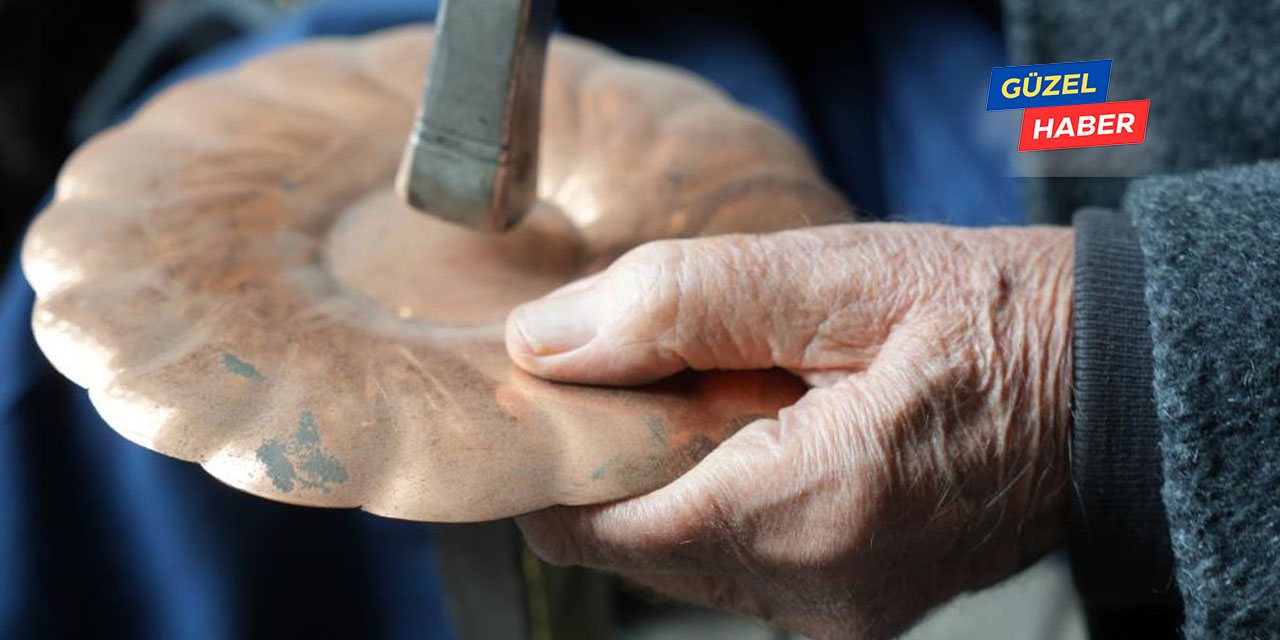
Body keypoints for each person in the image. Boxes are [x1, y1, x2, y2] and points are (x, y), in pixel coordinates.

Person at [506, 1, 1280, 639]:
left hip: (1100, 112)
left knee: (1076, 116)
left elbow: (1108, 131)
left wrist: (1117, 350)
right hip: (981, 52)